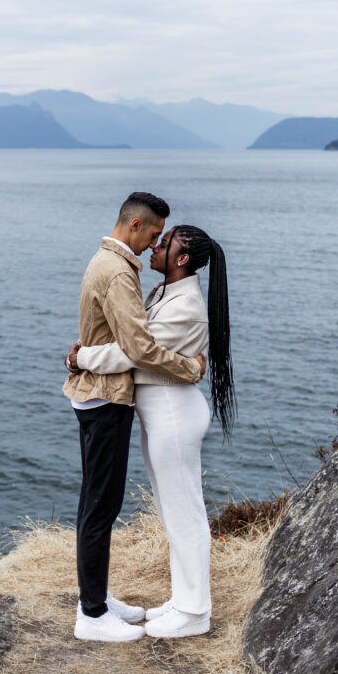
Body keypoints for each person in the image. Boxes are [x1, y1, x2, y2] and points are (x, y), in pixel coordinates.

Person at [70, 224, 235, 639]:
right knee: (174, 512)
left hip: (173, 414)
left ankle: (195, 611)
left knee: (186, 516)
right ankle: (183, 601)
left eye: (166, 243)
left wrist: (83, 357)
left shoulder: (186, 306)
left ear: (183, 259)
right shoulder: (166, 293)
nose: (156, 248)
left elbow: (135, 352)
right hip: (161, 413)